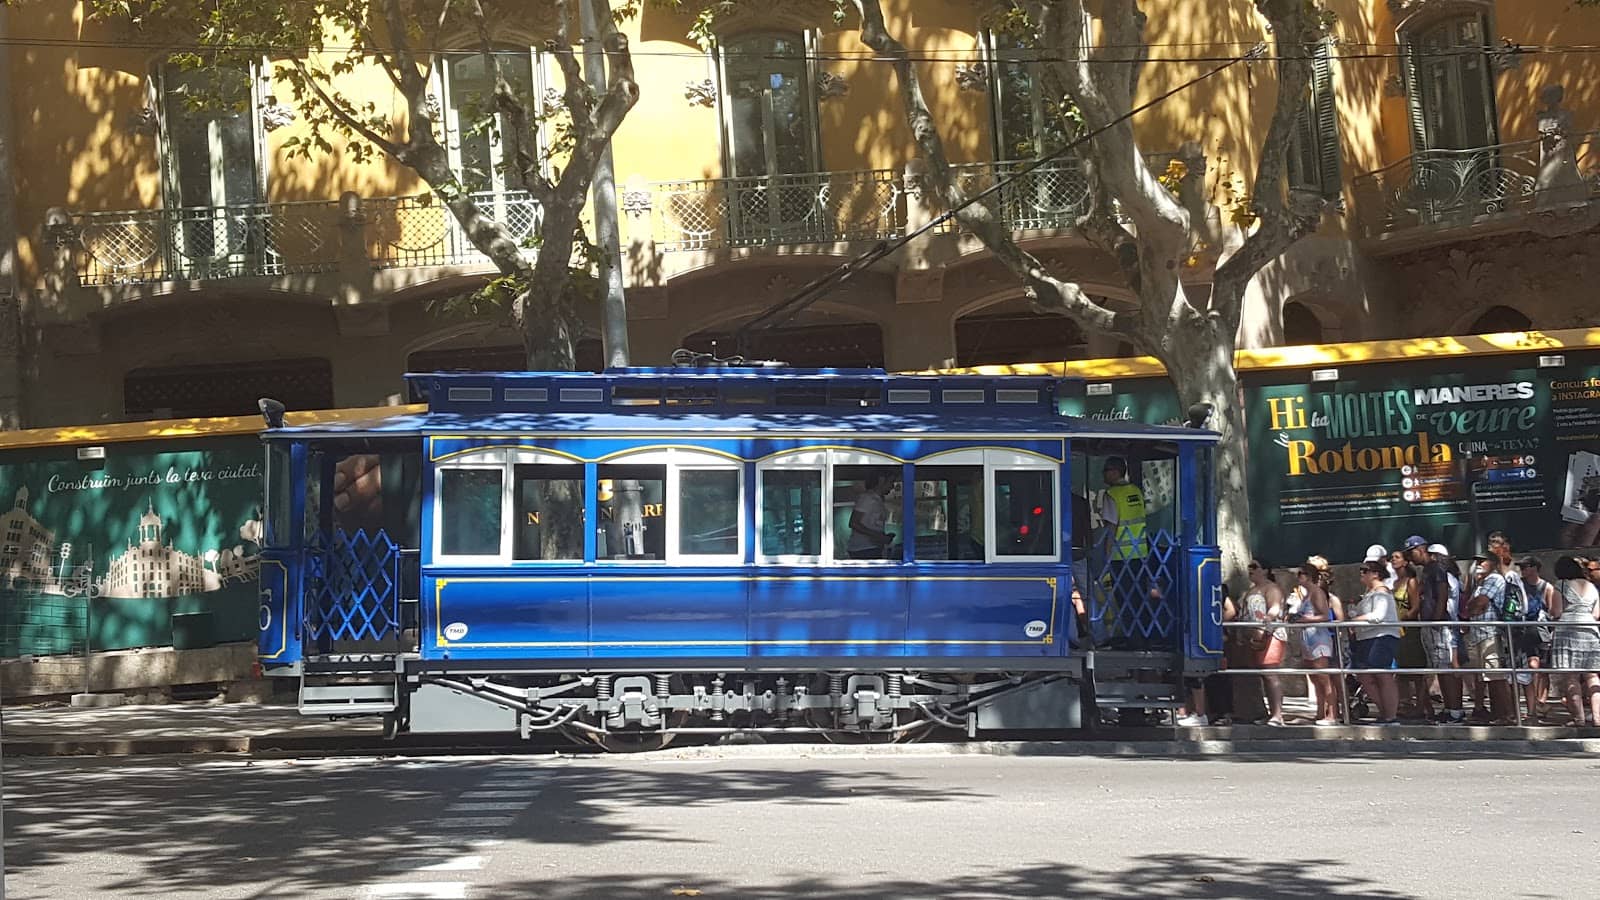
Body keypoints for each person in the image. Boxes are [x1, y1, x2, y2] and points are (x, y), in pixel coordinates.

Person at [1409, 537, 1465, 722]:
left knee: (1446, 667)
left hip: (1439, 625)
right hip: (1430, 624)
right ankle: (1449, 709)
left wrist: (1437, 618)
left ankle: (1455, 710)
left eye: (1412, 552)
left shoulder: (1437, 568)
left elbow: (1442, 593)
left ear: (1422, 550)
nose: (1410, 557)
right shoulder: (1427, 570)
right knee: (1440, 668)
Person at [1098, 456, 1150, 648]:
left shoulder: (1112, 495)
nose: (1103, 474)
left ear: (1115, 471)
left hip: (1121, 555)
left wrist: (1106, 554)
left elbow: (1111, 527)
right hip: (1140, 553)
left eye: (1106, 470)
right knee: (1139, 596)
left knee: (1125, 597)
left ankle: (1132, 639)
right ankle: (1142, 636)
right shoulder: (1135, 491)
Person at [1463, 553, 1517, 725]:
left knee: (1496, 676)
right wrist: (1472, 608)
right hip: (1478, 634)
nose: (1478, 564)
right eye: (1477, 561)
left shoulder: (1495, 579)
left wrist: (1473, 607)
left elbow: (1480, 603)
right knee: (1484, 677)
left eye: (1482, 561)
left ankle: (1506, 715)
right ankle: (1493, 713)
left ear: (1493, 563)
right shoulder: (1480, 582)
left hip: (1491, 633)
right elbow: (1470, 607)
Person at [1549, 556, 1600, 727]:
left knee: (1571, 676)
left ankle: (1579, 718)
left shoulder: (1561, 585)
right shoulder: (1592, 587)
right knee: (1592, 675)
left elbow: (1556, 611)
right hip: (1590, 630)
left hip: (1568, 631)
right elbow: (1596, 614)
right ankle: (1598, 718)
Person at [1239, 559, 1288, 727]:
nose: (1251, 570)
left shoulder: (1271, 588)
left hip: (1271, 634)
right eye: (1249, 567)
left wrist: (1264, 626)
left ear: (1265, 570)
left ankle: (1277, 715)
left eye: (1255, 567)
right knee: (1262, 675)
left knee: (1270, 674)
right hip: (1252, 636)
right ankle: (1267, 712)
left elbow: (1274, 609)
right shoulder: (1251, 590)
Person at [1352, 561, 1402, 724]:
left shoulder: (1382, 592)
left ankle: (1390, 715)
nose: (1361, 574)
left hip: (1382, 637)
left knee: (1383, 674)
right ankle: (1384, 711)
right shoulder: (1369, 593)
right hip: (1365, 638)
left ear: (1376, 574)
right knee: (1365, 676)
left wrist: (1354, 620)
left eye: (1365, 571)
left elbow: (1378, 615)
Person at [1292, 556, 1339, 726]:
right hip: (1307, 639)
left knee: (1324, 677)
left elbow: (1325, 616)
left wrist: (1304, 620)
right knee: (1314, 678)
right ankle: (1320, 712)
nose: (1298, 577)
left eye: (1301, 574)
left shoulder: (1317, 592)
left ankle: (1332, 714)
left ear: (1309, 576)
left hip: (1318, 638)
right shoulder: (1305, 595)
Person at [1391, 550, 1432, 721]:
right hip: (1395, 629)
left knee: (1416, 669)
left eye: (1396, 557)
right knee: (1401, 670)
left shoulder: (1411, 582)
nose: (1393, 560)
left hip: (1409, 629)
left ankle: (1423, 706)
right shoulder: (1394, 582)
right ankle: (1405, 704)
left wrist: (1404, 617)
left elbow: (1415, 607)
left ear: (1406, 562)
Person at [1516, 556, 1558, 723]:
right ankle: (1534, 705)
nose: (1523, 571)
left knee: (1542, 667)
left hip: (1541, 631)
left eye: (1525, 567)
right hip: (1524, 631)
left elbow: (1552, 611)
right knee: (1531, 667)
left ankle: (1541, 701)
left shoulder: (1546, 587)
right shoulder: (1519, 585)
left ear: (1534, 568)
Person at [847, 472, 895, 560]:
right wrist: (877, 536)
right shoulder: (867, 498)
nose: (892, 487)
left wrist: (883, 537)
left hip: (873, 548)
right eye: (891, 482)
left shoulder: (878, 500)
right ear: (881, 481)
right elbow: (853, 523)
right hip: (863, 550)